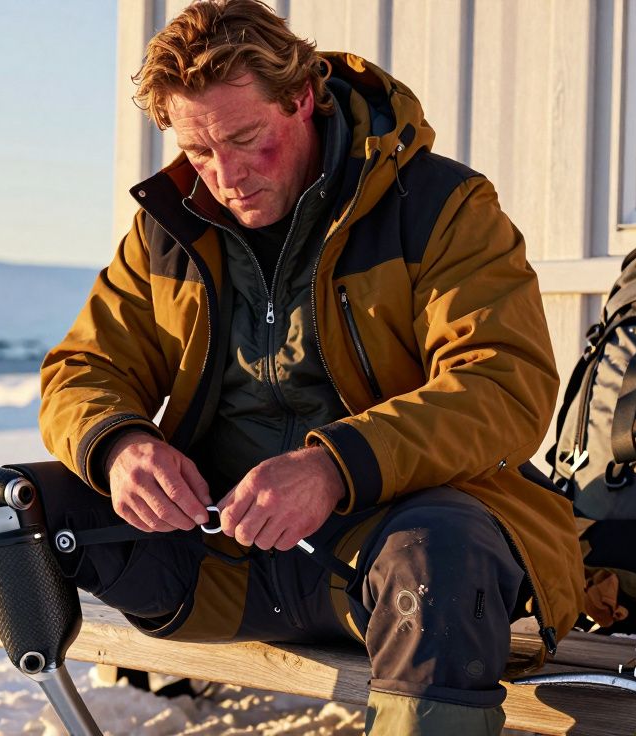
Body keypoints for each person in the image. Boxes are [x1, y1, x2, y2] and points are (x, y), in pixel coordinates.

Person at [33, 1, 584, 732]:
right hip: (215, 562)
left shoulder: (442, 207)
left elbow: (502, 385)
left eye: (245, 138)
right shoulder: (167, 229)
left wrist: (334, 466)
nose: (224, 176)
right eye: (198, 151)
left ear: (302, 99)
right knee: (18, 507)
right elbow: (82, 368)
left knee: (440, 551)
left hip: (386, 559)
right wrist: (120, 447)